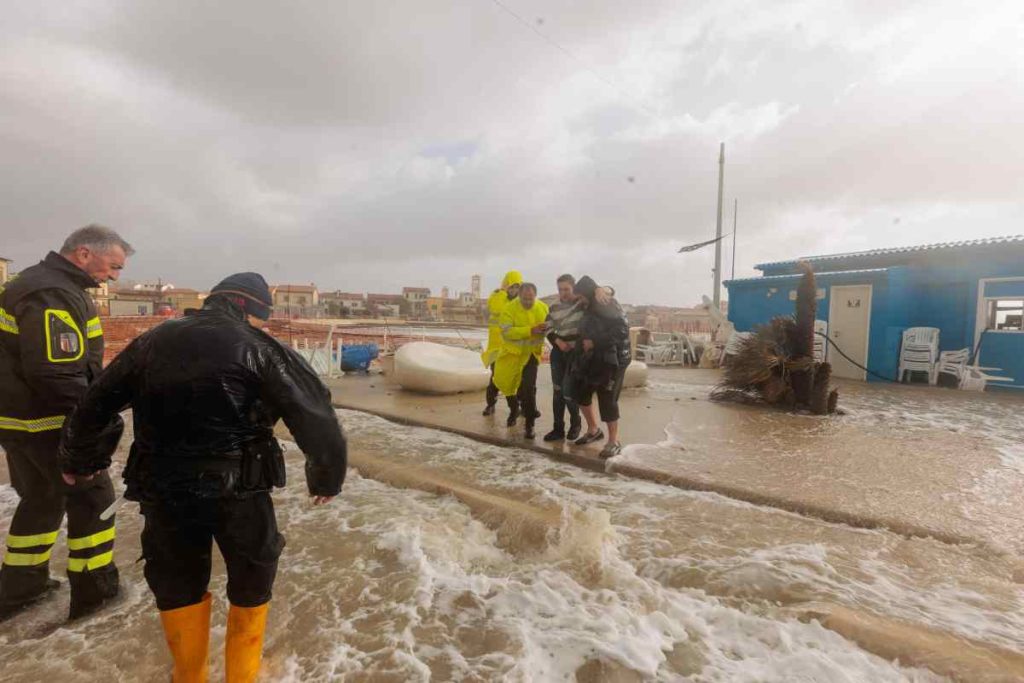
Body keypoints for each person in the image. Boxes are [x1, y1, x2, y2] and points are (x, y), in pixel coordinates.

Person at [59, 272, 348, 682]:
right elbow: (314, 412)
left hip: (162, 488)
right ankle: (243, 674)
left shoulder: (151, 342)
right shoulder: (259, 347)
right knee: (252, 574)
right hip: (240, 489)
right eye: (262, 318)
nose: (264, 326)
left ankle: (190, 674)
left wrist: (81, 460)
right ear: (248, 308)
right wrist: (326, 478)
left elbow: (94, 403)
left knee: (175, 578)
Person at [0, 225, 132, 621]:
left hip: (20, 422)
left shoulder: (37, 283)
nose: (113, 276)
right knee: (94, 501)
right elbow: (57, 374)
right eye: (113, 266)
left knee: (42, 498)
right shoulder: (52, 293)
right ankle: (96, 595)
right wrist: (94, 428)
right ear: (84, 253)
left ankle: (19, 589)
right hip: (49, 423)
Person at [570, 275, 631, 458]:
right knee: (581, 391)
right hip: (593, 357)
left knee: (607, 397)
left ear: (587, 293)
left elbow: (621, 331)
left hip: (614, 359)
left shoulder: (605, 304)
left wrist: (594, 342)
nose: (578, 300)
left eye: (580, 296)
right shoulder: (589, 303)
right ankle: (594, 430)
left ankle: (613, 441)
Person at [493, 282, 548, 439]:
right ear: (519, 296)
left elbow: (551, 328)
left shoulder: (543, 308)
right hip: (512, 354)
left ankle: (530, 424)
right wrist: (530, 330)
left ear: (535, 296)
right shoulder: (509, 309)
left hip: (531, 355)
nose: (528, 302)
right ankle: (513, 409)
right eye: (524, 299)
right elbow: (506, 332)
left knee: (529, 389)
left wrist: (547, 329)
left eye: (531, 299)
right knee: (504, 383)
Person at [543, 275, 583, 442]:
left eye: (566, 289)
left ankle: (576, 424)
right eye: (560, 289)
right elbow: (548, 329)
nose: (563, 293)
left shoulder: (582, 304)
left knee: (569, 391)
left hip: (576, 353)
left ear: (573, 288)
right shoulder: (553, 307)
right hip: (559, 352)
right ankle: (558, 428)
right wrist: (558, 341)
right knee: (557, 391)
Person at [481, 270, 523, 416]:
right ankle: (490, 405)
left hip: (514, 348)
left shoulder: (522, 302)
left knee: (517, 379)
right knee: (495, 378)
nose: (514, 290)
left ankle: (520, 406)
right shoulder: (497, 297)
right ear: (506, 285)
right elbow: (490, 311)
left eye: (517, 287)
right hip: (496, 347)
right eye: (511, 286)